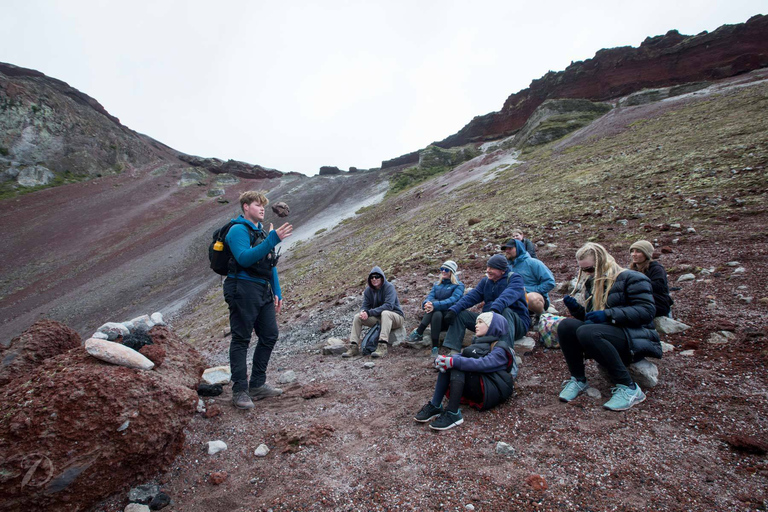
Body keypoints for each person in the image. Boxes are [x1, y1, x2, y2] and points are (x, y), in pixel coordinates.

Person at [558, 242, 661, 411]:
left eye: (589, 269)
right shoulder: (595, 282)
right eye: (583, 270)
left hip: (634, 336)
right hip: (606, 333)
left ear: (601, 262)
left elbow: (646, 312)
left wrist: (609, 314)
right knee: (566, 325)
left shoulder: (631, 278)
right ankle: (578, 379)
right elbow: (591, 319)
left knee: (587, 331)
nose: (586, 273)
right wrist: (576, 310)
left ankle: (629, 388)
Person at [224, 190, 293, 410]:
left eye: (263, 205)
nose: (262, 208)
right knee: (241, 338)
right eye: (257, 204)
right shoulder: (237, 230)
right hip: (242, 288)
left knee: (270, 334)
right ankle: (240, 390)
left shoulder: (262, 232)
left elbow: (270, 263)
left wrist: (277, 291)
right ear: (246, 207)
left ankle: (257, 384)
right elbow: (244, 258)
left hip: (262, 289)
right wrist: (272, 239)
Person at [414, 312, 516, 431]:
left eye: (480, 322)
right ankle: (435, 405)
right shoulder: (477, 344)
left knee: (457, 365)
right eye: (476, 322)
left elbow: (485, 363)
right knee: (451, 363)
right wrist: (442, 360)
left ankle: (453, 413)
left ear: (493, 326)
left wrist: (453, 362)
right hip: (479, 387)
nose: (476, 325)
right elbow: (459, 357)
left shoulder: (500, 347)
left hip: (492, 390)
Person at [442, 254, 529, 354]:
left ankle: (505, 353)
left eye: (492, 268)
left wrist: (495, 309)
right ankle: (453, 351)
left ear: (502, 270)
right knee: (461, 314)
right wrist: (454, 309)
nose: (488, 270)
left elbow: (508, 295)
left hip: (515, 324)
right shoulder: (486, 281)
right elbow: (471, 296)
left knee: (505, 310)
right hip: (489, 321)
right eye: (487, 267)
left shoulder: (515, 279)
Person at [342, 266, 404, 359]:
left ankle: (382, 346)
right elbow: (365, 305)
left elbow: (389, 306)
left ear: (382, 277)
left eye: (377, 276)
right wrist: (363, 311)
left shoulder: (389, 287)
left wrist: (369, 313)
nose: (374, 279)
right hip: (379, 319)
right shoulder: (368, 290)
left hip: (396, 317)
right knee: (357, 317)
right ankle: (354, 346)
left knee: (386, 313)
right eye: (372, 277)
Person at [407, 260, 465, 357]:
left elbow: (453, 300)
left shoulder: (459, 286)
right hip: (436, 318)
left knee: (435, 309)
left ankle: (419, 332)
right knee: (436, 312)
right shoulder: (437, 284)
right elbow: (430, 297)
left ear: (452, 272)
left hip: (448, 318)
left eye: (446, 269)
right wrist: (426, 304)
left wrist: (435, 305)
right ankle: (435, 347)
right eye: (442, 269)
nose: (443, 271)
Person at [502, 238, 555, 309]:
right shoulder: (507, 266)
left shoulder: (533, 263)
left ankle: (539, 316)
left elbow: (550, 282)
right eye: (506, 249)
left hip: (535, 298)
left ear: (518, 248)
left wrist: (528, 291)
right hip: (514, 298)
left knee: (531, 298)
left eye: (510, 248)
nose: (507, 251)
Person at [629, 240, 674, 318]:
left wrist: (636, 284)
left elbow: (659, 287)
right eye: (632, 251)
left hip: (657, 304)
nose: (634, 254)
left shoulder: (656, 269)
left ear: (646, 254)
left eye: (638, 251)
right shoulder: (630, 270)